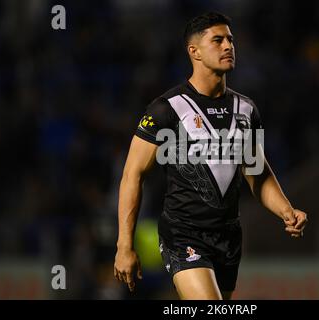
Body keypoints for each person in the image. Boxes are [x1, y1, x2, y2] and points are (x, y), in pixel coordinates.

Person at [114, 11, 307, 300]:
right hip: (183, 234)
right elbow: (133, 174)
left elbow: (256, 173)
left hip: (228, 238)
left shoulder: (246, 109)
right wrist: (124, 245)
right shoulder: (166, 109)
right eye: (218, 40)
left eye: (230, 39)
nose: (228, 46)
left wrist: (286, 211)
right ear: (195, 52)